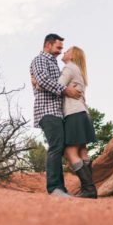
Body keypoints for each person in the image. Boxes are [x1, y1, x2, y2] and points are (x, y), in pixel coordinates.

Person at [30, 33, 82, 198]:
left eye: (62, 49)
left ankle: (61, 189)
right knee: (56, 146)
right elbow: (44, 80)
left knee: (60, 148)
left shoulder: (53, 63)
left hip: (57, 112)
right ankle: (55, 188)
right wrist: (66, 90)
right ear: (48, 45)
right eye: (58, 47)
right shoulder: (40, 60)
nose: (60, 51)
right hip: (47, 110)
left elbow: (45, 83)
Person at [58, 46, 97, 198]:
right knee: (82, 152)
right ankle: (89, 189)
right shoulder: (79, 71)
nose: (64, 52)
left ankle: (89, 189)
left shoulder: (69, 67)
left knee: (70, 151)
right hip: (83, 113)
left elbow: (57, 85)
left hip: (73, 113)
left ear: (73, 55)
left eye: (67, 50)